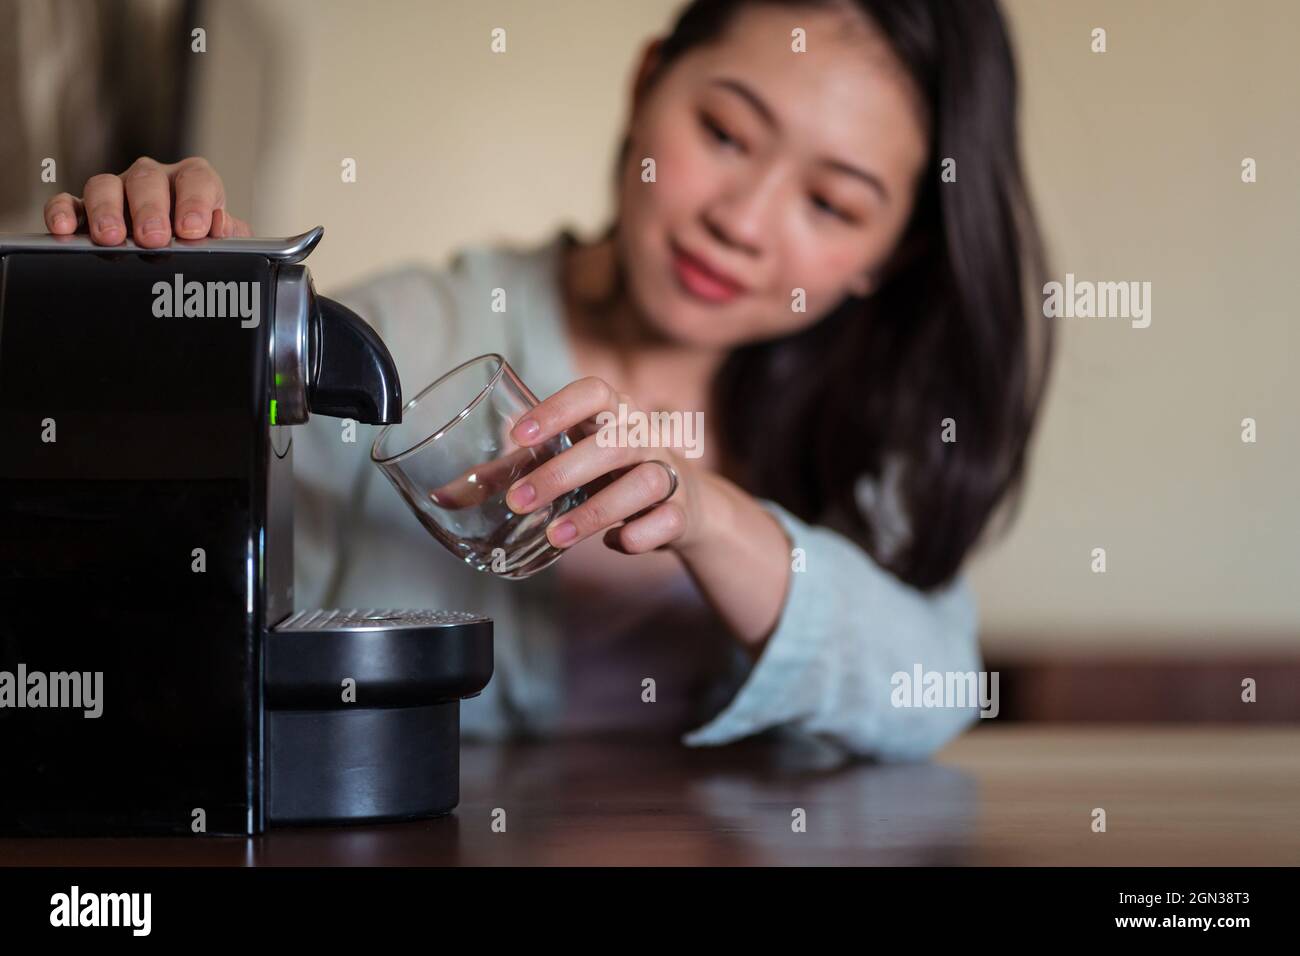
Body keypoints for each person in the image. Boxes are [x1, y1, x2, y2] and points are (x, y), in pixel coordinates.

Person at [41, 0, 1053, 760]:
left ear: (889, 252)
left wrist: (711, 518)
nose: (740, 222)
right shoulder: (402, 339)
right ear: (647, 80)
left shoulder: (860, 429)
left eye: (831, 203)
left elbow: (934, 685)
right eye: (724, 135)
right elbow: (127, 566)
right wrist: (149, 310)